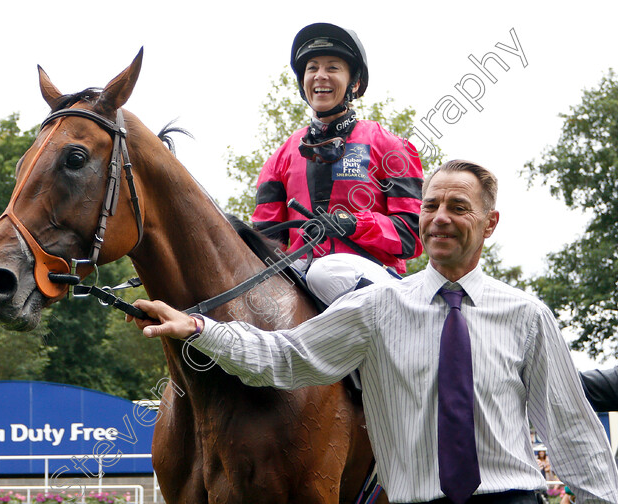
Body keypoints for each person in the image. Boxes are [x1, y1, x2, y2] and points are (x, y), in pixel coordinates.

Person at [129, 160, 618, 503]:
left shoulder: (527, 316)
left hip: (510, 499)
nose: (440, 218)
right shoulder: (375, 308)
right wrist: (195, 326)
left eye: (458, 207)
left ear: (490, 223)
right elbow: (282, 357)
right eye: (431, 205)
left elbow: (574, 432)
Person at [252, 22, 424, 304]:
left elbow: (412, 237)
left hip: (374, 280)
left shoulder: (391, 147)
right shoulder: (279, 159)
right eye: (312, 68)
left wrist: (354, 224)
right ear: (302, 82)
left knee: (325, 272)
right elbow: (265, 244)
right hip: (300, 278)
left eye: (332, 68)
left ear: (354, 83)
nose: (320, 76)